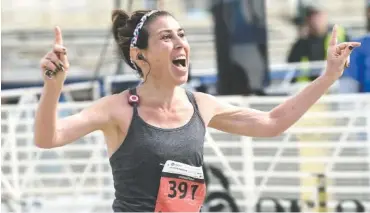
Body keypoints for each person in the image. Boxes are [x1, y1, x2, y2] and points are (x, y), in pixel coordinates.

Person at [34, 9, 359, 212]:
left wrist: (329, 75)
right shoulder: (119, 109)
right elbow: (48, 138)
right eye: (166, 37)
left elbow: (273, 122)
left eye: (182, 35)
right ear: (140, 55)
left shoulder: (200, 104)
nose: (180, 43)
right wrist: (53, 87)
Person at [287, 5, 350, 83]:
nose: (316, 20)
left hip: (337, 87)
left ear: (326, 16)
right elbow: (291, 71)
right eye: (312, 16)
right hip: (310, 89)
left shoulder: (340, 36)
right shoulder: (300, 45)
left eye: (319, 16)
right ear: (307, 20)